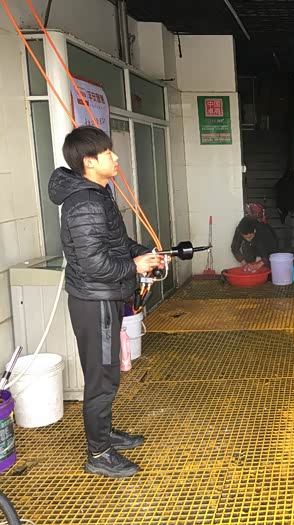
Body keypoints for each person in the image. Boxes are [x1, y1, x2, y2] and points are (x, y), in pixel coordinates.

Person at [48, 126, 165, 478]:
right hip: (94, 300)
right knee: (102, 378)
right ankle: (98, 453)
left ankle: (104, 433)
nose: (115, 158)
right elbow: (93, 263)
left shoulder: (98, 194)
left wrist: (144, 254)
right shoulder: (84, 202)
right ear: (89, 161)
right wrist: (134, 266)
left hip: (103, 296)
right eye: (108, 153)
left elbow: (116, 243)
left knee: (107, 372)